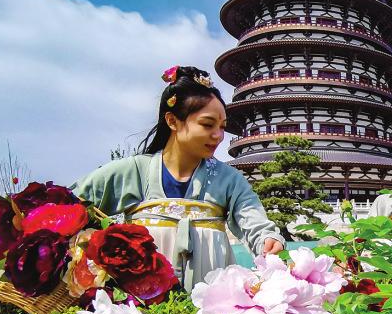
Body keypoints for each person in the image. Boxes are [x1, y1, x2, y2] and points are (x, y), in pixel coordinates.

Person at [73, 65, 284, 290]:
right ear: (172, 121)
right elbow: (70, 207)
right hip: (140, 302)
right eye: (207, 124)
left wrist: (266, 239)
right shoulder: (133, 171)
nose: (218, 136)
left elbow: (252, 218)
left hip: (211, 300)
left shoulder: (229, 180)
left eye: (222, 127)